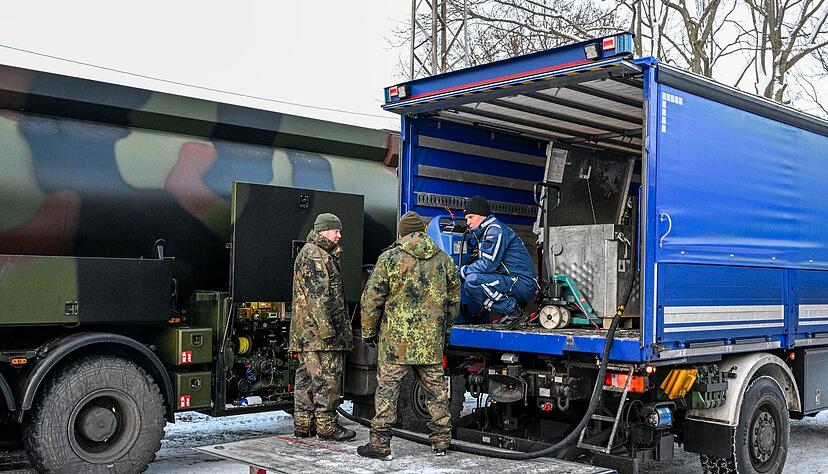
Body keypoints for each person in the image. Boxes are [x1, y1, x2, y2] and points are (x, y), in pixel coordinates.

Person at [357, 211, 461, 460]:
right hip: (430, 342)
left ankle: (380, 445)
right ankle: (441, 442)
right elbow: (453, 300)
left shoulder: (389, 258)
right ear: (423, 231)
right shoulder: (444, 260)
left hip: (396, 343)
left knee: (387, 393)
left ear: (402, 233)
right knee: (436, 391)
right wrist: (444, 332)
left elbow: (371, 299)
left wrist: (369, 332)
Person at [288, 212, 356, 442]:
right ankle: (326, 427)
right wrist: (329, 332)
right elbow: (319, 298)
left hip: (309, 335)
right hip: (319, 336)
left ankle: (303, 425)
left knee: (307, 378)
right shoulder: (316, 256)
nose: (339, 235)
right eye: (336, 230)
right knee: (327, 379)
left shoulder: (312, 253)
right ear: (323, 231)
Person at [460, 195, 538, 329]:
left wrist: (461, 271)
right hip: (515, 281)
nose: (468, 222)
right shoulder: (488, 231)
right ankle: (510, 312)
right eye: (466, 218)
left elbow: (487, 264)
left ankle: (513, 312)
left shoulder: (494, 230)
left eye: (471, 217)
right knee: (471, 280)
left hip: (522, 283)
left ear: (482, 215)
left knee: (473, 281)